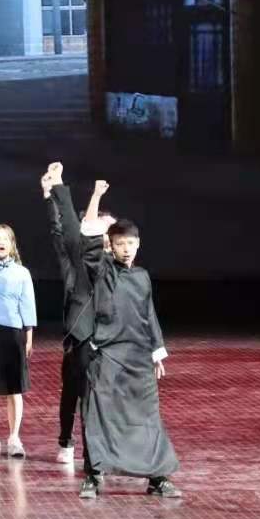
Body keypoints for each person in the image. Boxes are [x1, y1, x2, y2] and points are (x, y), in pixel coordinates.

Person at [78, 184, 182, 500]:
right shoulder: (103, 271)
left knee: (146, 417)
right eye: (120, 244)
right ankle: (94, 475)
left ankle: (157, 477)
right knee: (100, 414)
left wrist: (157, 353)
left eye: (131, 243)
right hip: (108, 354)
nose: (126, 249)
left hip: (138, 358)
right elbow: (88, 237)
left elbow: (149, 315)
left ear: (138, 244)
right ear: (111, 246)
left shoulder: (142, 276)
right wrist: (96, 197)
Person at [42, 161, 107, 465]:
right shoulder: (78, 262)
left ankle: (99, 447)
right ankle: (68, 441)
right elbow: (63, 229)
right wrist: (52, 193)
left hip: (107, 338)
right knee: (74, 390)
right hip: (80, 334)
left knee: (98, 394)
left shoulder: (118, 266)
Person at [0, 224, 36, 460]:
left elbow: (27, 304)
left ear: (12, 244)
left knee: (14, 389)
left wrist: (28, 336)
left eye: (6, 239)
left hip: (14, 333)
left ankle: (14, 438)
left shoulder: (21, 272)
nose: (1, 242)